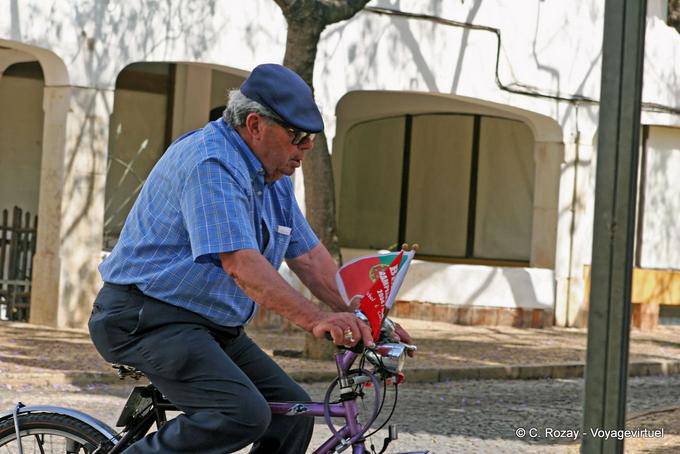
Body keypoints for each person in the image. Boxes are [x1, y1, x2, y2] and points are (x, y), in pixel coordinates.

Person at [88, 63, 411, 454]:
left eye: (310, 139)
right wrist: (317, 318)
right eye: (297, 136)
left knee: (293, 415)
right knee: (239, 414)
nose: (305, 149)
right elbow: (241, 264)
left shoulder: (272, 176)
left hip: (211, 325)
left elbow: (309, 257)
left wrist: (366, 318)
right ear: (255, 125)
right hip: (148, 318)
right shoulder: (212, 163)